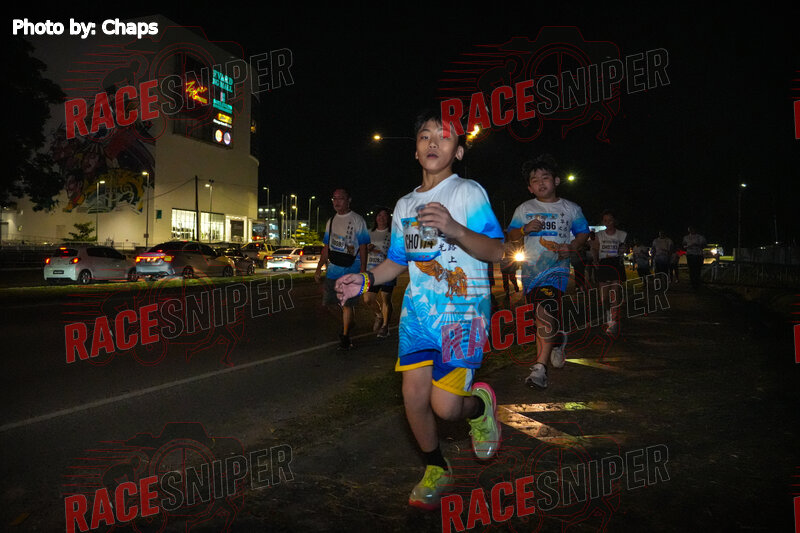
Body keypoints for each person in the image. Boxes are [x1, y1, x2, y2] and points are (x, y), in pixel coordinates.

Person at [335, 109, 504, 511]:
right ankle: (436, 467)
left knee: (446, 407)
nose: (433, 142)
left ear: (458, 151)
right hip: (419, 316)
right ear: (415, 150)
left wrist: (455, 229)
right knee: (412, 397)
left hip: (463, 314)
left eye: (444, 136)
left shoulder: (468, 193)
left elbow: (497, 250)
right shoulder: (405, 204)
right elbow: (398, 260)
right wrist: (366, 279)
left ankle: (480, 407)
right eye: (425, 136)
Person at [507, 154, 590, 389]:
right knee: (541, 318)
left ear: (556, 181)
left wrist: (572, 247)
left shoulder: (571, 208)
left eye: (545, 177)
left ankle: (539, 370)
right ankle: (557, 340)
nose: (540, 183)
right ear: (529, 188)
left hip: (557, 272)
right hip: (531, 273)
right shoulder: (524, 209)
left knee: (543, 314)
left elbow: (583, 233)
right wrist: (524, 229)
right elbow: (511, 234)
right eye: (534, 180)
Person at [315, 188, 370, 350]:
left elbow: (363, 247)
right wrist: (319, 267)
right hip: (333, 268)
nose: (336, 201)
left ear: (349, 200)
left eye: (341, 198)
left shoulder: (357, 220)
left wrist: (363, 270)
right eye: (334, 198)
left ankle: (345, 336)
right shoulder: (331, 221)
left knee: (346, 303)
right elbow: (326, 246)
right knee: (328, 303)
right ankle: (349, 321)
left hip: (352, 268)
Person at [592, 210, 628, 337]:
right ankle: (609, 316)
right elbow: (595, 248)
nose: (608, 223)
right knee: (604, 297)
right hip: (603, 264)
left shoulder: (622, 234)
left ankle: (613, 322)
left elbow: (624, 247)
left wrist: (623, 249)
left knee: (615, 294)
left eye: (610, 220)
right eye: (605, 220)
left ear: (615, 221)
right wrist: (595, 260)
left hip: (616, 263)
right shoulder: (599, 234)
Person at [364, 207, 395, 338]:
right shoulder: (369, 233)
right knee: (367, 299)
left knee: (386, 298)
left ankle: (385, 327)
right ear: (375, 218)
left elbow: (398, 251)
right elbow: (361, 250)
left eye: (384, 215)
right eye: (379, 215)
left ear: (388, 218)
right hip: (372, 272)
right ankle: (379, 315)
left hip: (388, 270)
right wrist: (367, 248)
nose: (381, 218)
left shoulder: (393, 233)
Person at [499, 230, 521, 301]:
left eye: (506, 236)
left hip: (511, 265)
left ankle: (516, 288)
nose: (505, 237)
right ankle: (507, 293)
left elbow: (514, 254)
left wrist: (516, 264)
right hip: (503, 266)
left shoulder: (511, 244)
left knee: (512, 278)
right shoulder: (500, 245)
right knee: (505, 281)